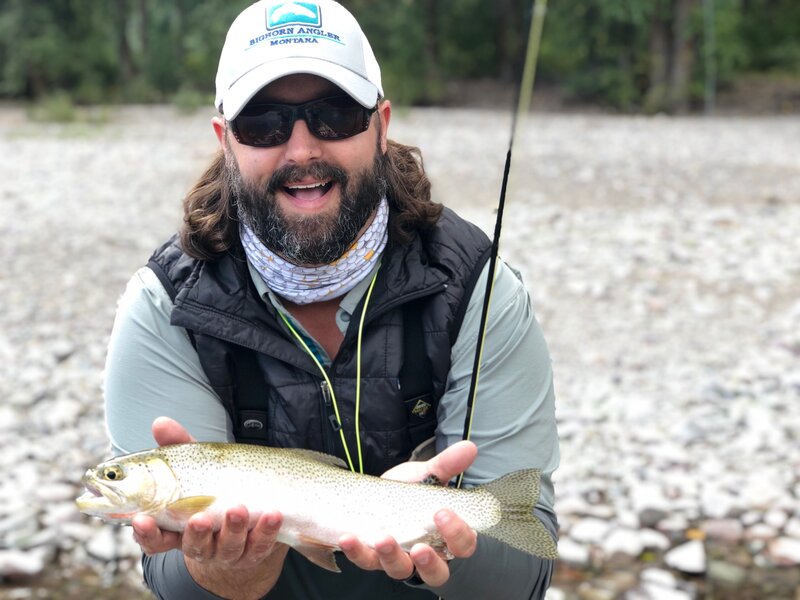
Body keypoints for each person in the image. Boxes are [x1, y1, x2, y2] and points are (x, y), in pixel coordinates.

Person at [103, 0, 560, 598]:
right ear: (226, 140)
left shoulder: (476, 288)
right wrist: (228, 567)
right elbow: (172, 586)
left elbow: (522, 578)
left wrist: (434, 531)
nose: (300, 151)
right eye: (264, 123)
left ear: (382, 125)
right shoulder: (167, 308)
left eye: (335, 115)